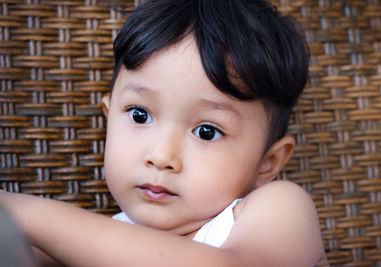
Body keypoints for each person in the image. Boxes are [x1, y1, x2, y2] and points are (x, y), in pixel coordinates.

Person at [0, 0, 328, 266]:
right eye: (140, 115)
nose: (161, 156)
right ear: (109, 118)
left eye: (207, 132)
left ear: (267, 163)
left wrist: (30, 216)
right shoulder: (85, 245)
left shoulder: (276, 210)